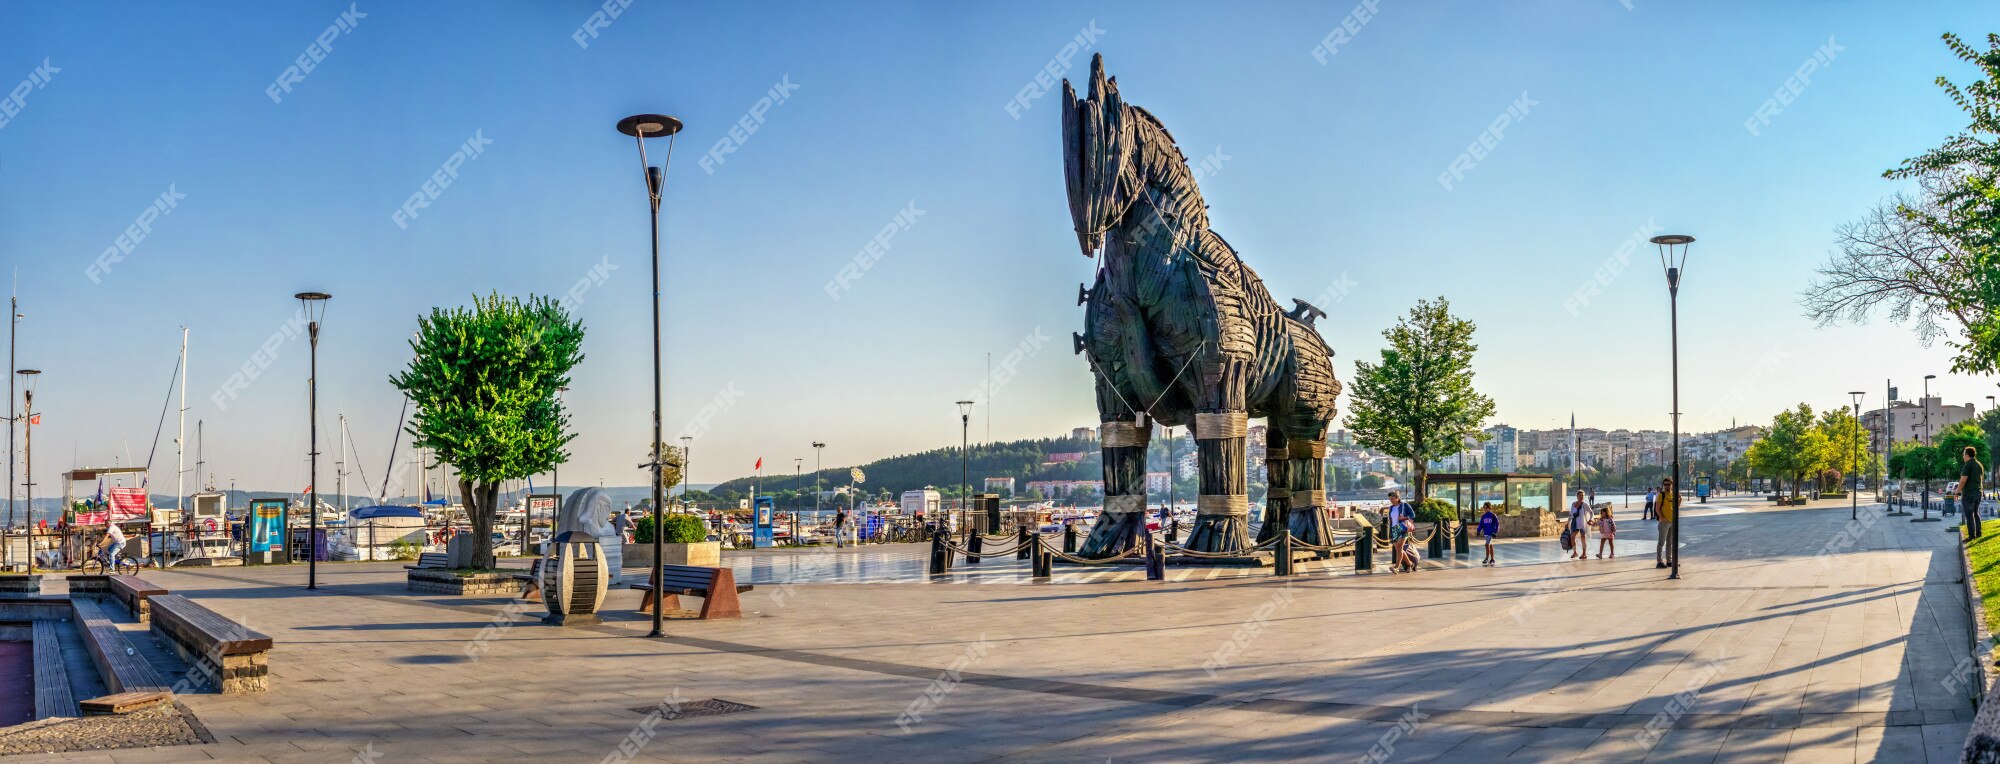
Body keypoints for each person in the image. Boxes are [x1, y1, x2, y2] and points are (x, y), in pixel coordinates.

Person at [1960, 445, 1986, 539]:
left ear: (1967, 455)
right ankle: (1979, 533)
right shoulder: (1979, 464)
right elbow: (1980, 479)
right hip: (1978, 492)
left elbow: (1963, 480)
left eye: (1963, 455)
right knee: (1976, 513)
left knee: (1969, 514)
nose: (1963, 457)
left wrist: (1957, 492)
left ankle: (1971, 535)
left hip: (1969, 494)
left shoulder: (1967, 465)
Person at [1657, 477, 1678, 569]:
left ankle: (1669, 561)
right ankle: (1659, 561)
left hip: (1672, 522)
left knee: (1670, 542)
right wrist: (1662, 518)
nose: (1666, 486)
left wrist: (1679, 500)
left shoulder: (1673, 494)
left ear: (1671, 484)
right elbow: (1657, 508)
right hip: (1664, 523)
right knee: (1661, 542)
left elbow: (1675, 508)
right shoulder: (1661, 495)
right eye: (1665, 484)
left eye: (1668, 484)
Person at [1567, 490, 1589, 560]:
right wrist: (1567, 522)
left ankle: (1584, 554)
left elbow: (1591, 513)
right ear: (1577, 496)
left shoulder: (1585, 505)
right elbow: (1571, 514)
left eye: (1582, 495)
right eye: (1580, 495)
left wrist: (1590, 520)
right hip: (1574, 523)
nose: (1581, 497)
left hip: (1582, 524)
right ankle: (1575, 552)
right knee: (1572, 537)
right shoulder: (1573, 504)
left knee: (1583, 539)